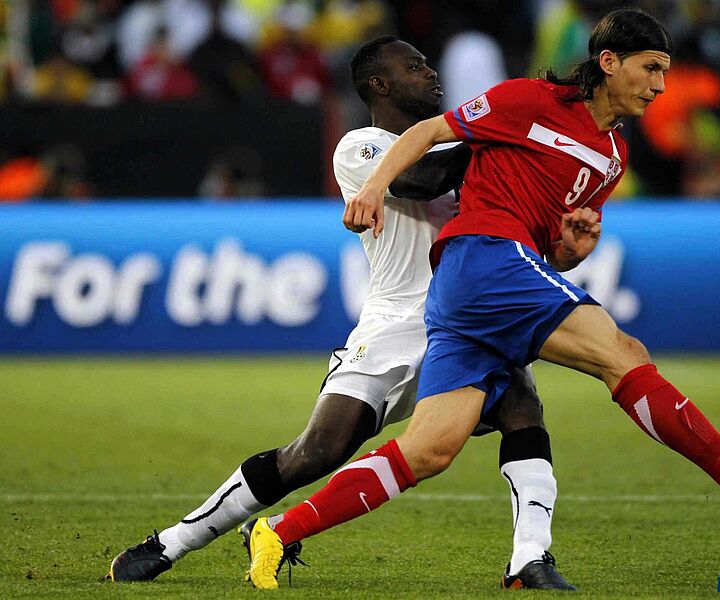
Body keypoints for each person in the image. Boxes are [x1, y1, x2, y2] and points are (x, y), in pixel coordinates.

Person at [240, 9, 720, 589]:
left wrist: (570, 249)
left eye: (664, 72)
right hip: (481, 255)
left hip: (479, 283)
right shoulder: (528, 99)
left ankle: (280, 531)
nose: (659, 86)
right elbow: (428, 132)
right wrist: (371, 188)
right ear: (609, 62)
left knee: (428, 450)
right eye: (650, 68)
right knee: (622, 353)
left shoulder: (613, 158)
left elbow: (547, 252)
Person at [108, 36, 574, 591]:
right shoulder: (362, 147)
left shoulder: (463, 154)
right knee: (314, 453)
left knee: (523, 410)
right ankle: (173, 541)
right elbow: (418, 179)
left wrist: (562, 239)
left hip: (468, 321)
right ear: (380, 84)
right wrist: (501, 128)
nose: (431, 73)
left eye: (428, 63)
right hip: (394, 327)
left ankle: (529, 558)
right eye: (415, 66)